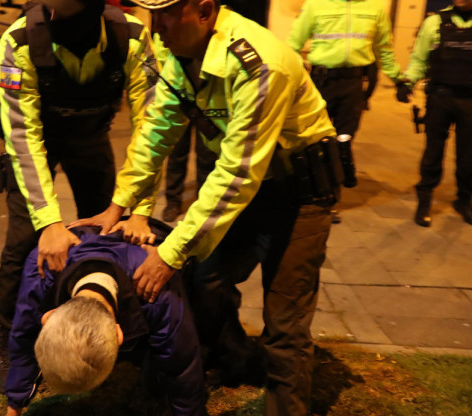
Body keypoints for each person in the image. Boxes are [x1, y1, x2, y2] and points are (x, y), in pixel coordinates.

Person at [72, 1, 340, 414]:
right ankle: (234, 359)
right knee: (206, 280)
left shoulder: (259, 63)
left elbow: (236, 175)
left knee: (284, 326)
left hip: (298, 199)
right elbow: (155, 134)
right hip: (248, 190)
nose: (155, 25)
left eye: (166, 14)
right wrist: (119, 205)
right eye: (151, 13)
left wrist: (170, 252)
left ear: (204, 11)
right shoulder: (183, 55)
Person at [0, 0, 158, 394]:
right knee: (22, 240)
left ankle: (107, 325)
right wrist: (48, 222)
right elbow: (23, 137)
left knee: (109, 233)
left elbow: (152, 127)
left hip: (90, 135)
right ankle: (11, 335)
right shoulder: (18, 41)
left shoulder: (132, 37)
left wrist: (140, 209)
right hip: (37, 142)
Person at [4, 224, 207, 416]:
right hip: (100, 247)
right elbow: (24, 336)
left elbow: (183, 366)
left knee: (156, 380)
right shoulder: (41, 263)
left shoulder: (157, 287)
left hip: (160, 244)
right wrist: (14, 405)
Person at [399, 0, 472, 227]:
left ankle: (465, 199)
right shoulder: (433, 22)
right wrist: (408, 82)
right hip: (440, 98)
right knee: (433, 151)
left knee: (469, 154)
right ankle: (425, 198)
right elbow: (420, 59)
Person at [287, 0, 407, 193]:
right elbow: (292, 45)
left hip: (353, 83)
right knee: (316, 140)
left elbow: (384, 48)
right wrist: (293, 76)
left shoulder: (375, 8)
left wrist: (398, 80)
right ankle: (317, 190)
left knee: (344, 139)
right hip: (321, 82)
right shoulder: (316, 5)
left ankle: (335, 190)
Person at [152, 33, 217, 222]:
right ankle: (173, 201)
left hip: (206, 93)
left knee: (207, 154)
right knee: (177, 152)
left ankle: (204, 202)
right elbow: (161, 55)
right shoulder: (167, 27)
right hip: (179, 93)